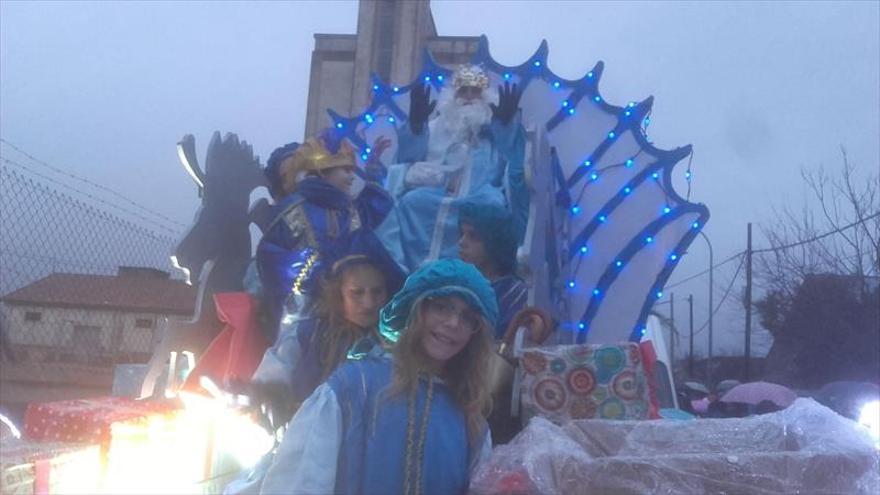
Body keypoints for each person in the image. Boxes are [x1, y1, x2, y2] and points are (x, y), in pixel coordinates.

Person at [259, 259, 498, 495]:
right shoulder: (354, 388)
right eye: (442, 307)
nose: (453, 323)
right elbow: (302, 483)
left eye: (468, 317)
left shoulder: (469, 416)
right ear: (416, 310)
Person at [376, 64, 528, 271]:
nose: (468, 96)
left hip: (480, 193)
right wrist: (416, 127)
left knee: (492, 207)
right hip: (436, 192)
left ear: (484, 97)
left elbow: (512, 160)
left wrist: (505, 128)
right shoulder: (436, 127)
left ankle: (473, 273)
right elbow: (408, 159)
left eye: (475, 91)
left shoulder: (494, 128)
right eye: (463, 91)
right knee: (412, 202)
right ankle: (413, 271)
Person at [256, 131, 398, 342]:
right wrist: (313, 272)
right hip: (307, 316)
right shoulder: (295, 208)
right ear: (323, 171)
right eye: (345, 170)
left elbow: (373, 209)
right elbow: (271, 258)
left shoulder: (349, 209)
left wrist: (374, 171)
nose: (352, 177)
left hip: (352, 313)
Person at [249, 254, 397, 426]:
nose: (369, 303)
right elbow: (269, 382)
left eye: (377, 292)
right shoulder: (306, 335)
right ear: (338, 294)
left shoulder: (395, 345)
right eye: (357, 293)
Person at [457, 201, 528, 340]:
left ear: (495, 243)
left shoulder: (516, 296)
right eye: (461, 234)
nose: (461, 242)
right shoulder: (454, 283)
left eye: (473, 236)